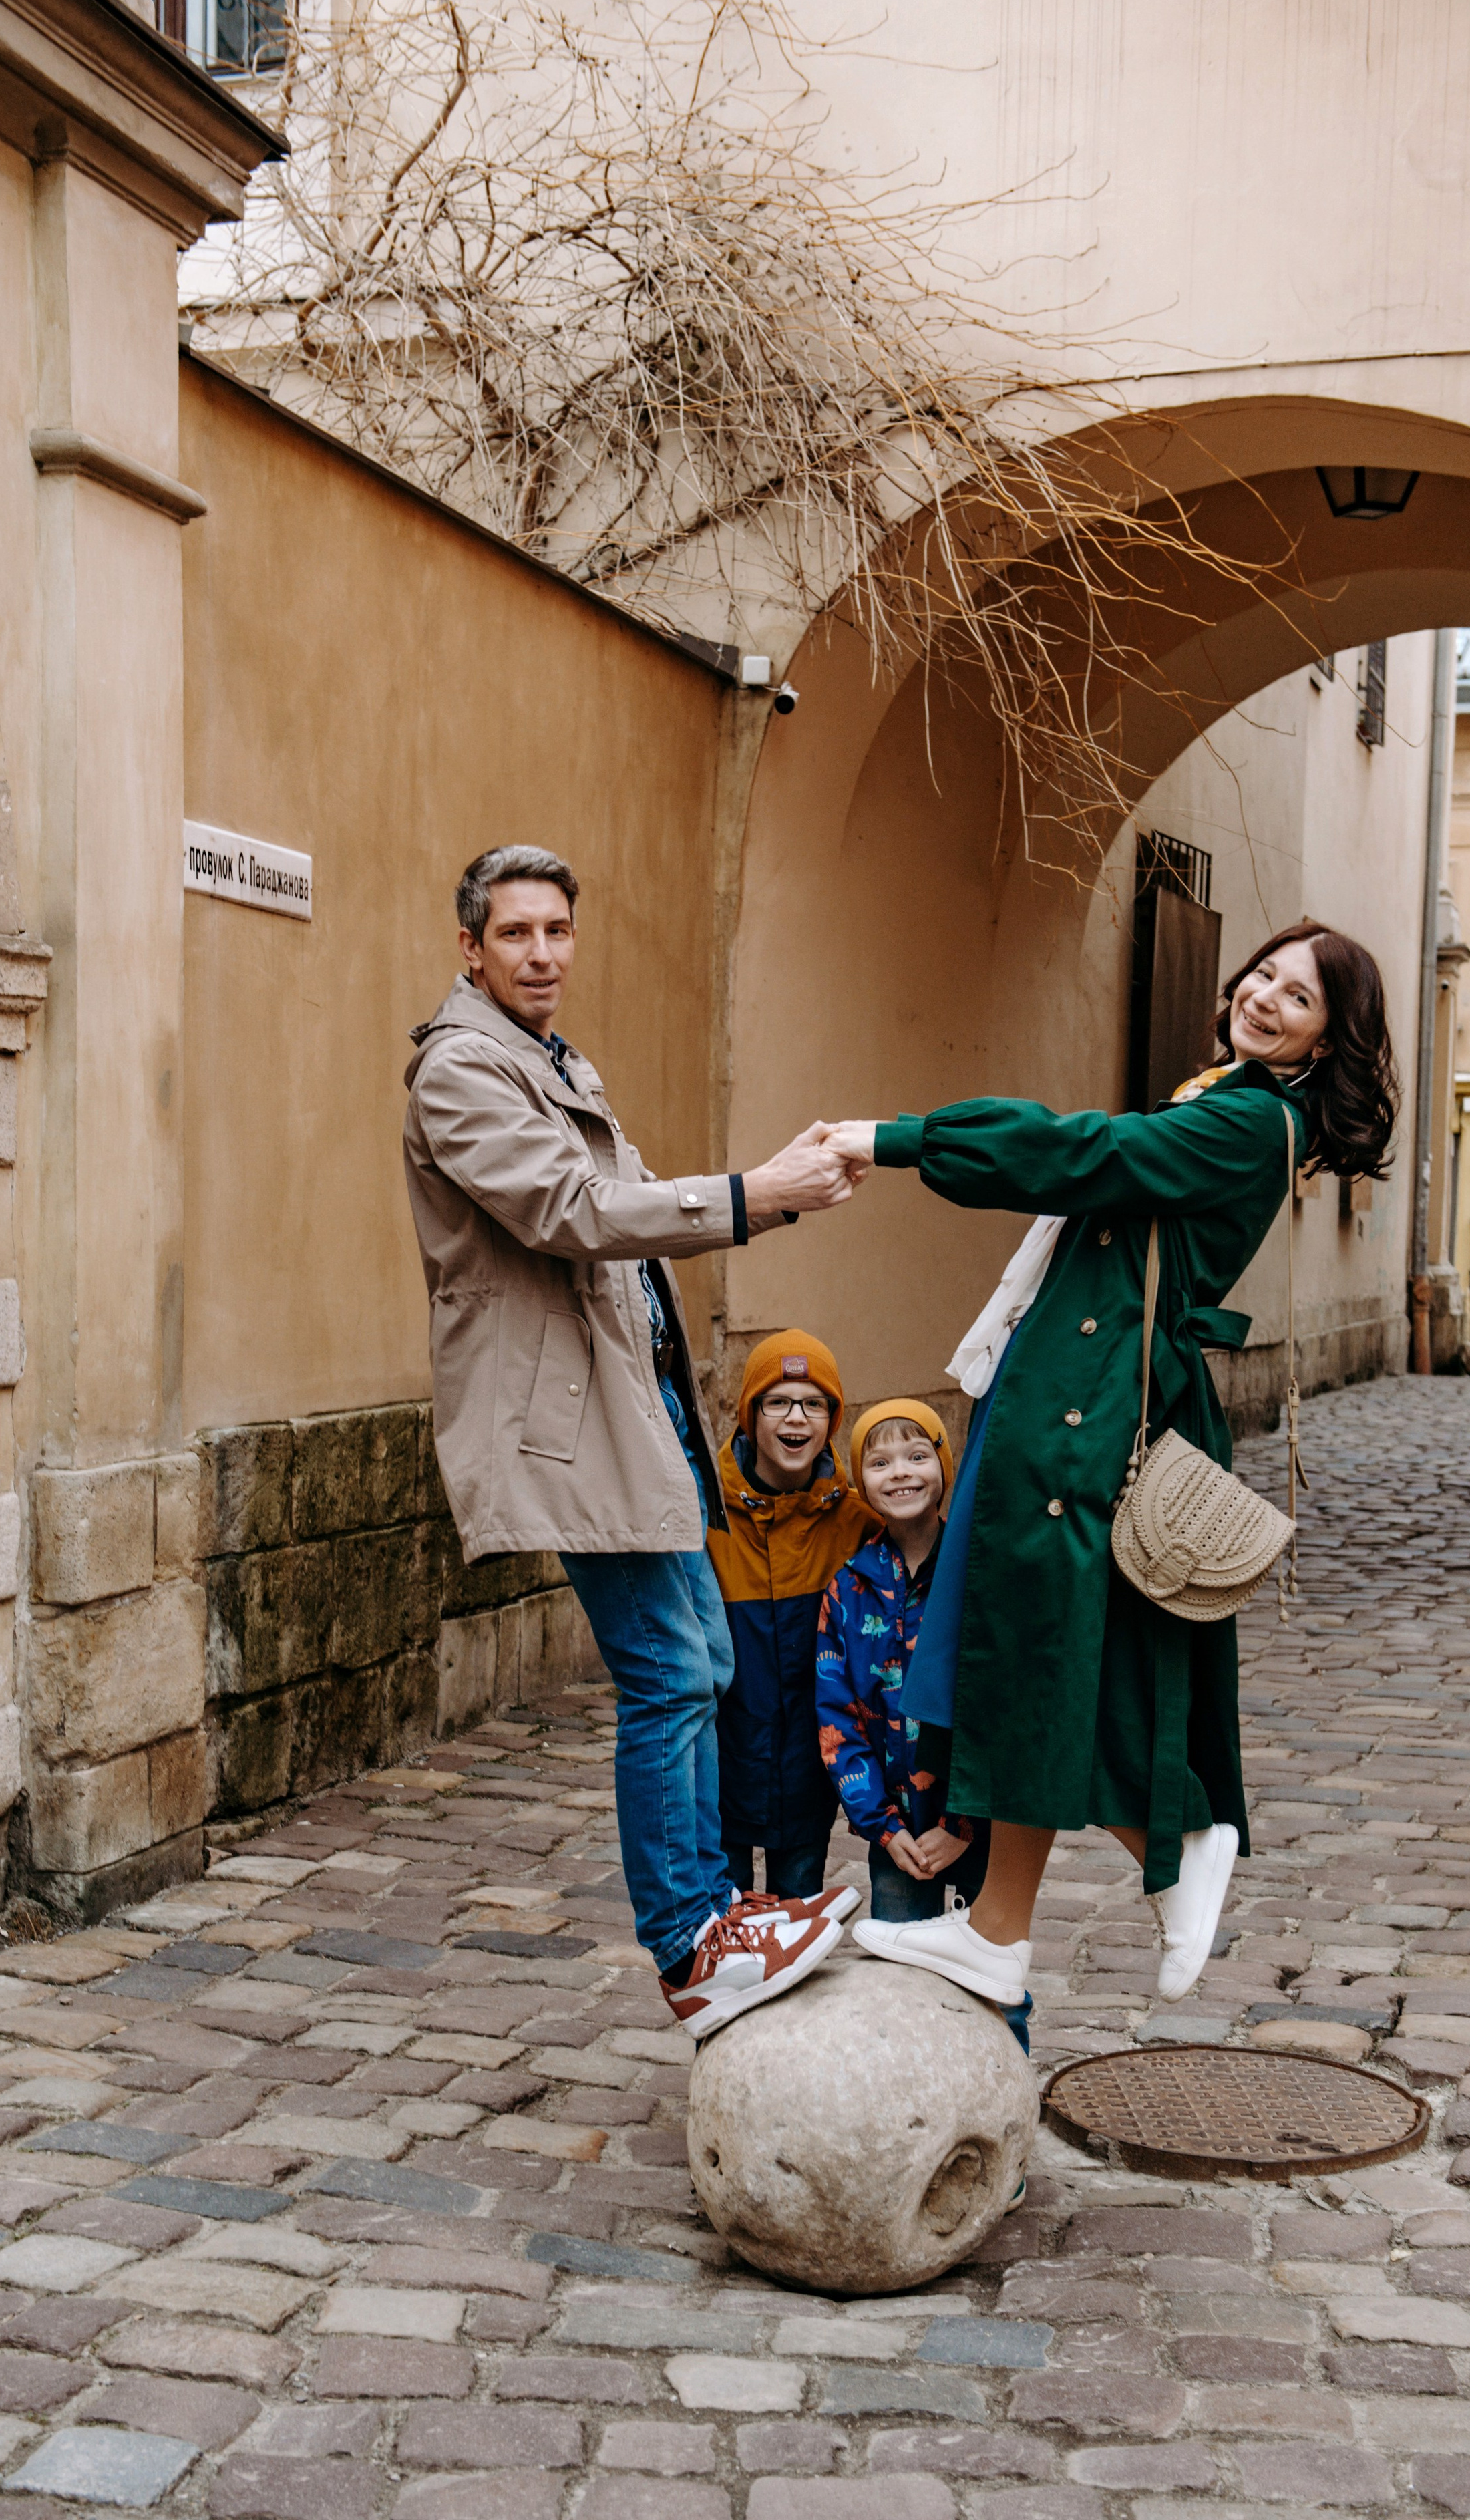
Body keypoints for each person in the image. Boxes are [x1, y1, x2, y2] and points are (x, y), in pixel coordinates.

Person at [821, 920, 1399, 2016]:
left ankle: (1171, 1840)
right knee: (1026, 1662)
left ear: (1327, 1041)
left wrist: (892, 1138)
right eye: (1265, 972)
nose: (1267, 996)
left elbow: (1077, 1152)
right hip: (1061, 1397)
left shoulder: (1249, 1119)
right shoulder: (1222, 1092)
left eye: (1300, 996)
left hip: (1089, 1417)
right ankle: (1008, 1925)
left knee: (1039, 1660)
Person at [403, 843, 858, 2040]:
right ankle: (692, 1940)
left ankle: (719, 1917)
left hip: (639, 1415)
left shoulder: (551, 1060)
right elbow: (579, 1211)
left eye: (557, 929)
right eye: (515, 933)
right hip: (575, 1429)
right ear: (471, 947)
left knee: (702, 1661)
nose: (542, 952)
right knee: (669, 1671)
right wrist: (760, 1192)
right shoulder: (462, 1072)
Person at [815, 1398, 1032, 2052]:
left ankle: (1002, 2090)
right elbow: (837, 1718)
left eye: (917, 1455)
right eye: (879, 1461)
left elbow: (1004, 1704)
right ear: (860, 1480)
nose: (900, 1473)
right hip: (897, 1839)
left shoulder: (979, 1575)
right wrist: (881, 1828)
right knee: (900, 1984)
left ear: (943, 1465)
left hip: (977, 1829)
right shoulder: (849, 1587)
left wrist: (961, 1826)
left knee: (994, 1980)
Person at [707, 1331, 874, 1906]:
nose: (796, 1418)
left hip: (810, 1771)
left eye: (814, 1402)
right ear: (750, 1414)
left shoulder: (859, 1525)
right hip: (721, 1767)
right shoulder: (703, 1518)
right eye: (777, 1401)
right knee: (721, 1930)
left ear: (833, 1418)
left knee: (795, 1919)